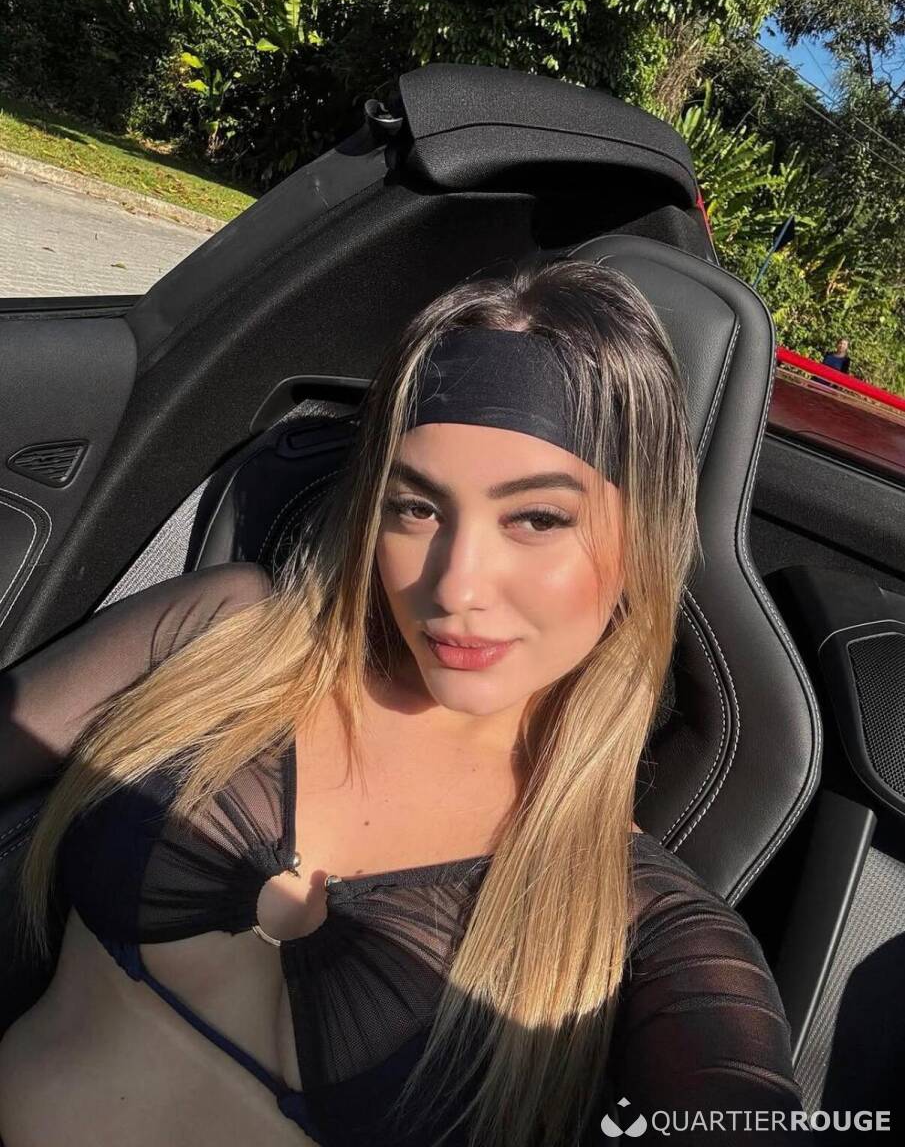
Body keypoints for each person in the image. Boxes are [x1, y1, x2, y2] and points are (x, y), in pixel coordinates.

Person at [0, 259, 812, 1147]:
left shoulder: (638, 923)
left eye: (537, 518)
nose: (455, 586)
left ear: (640, 539)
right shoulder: (221, 638)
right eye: (416, 507)